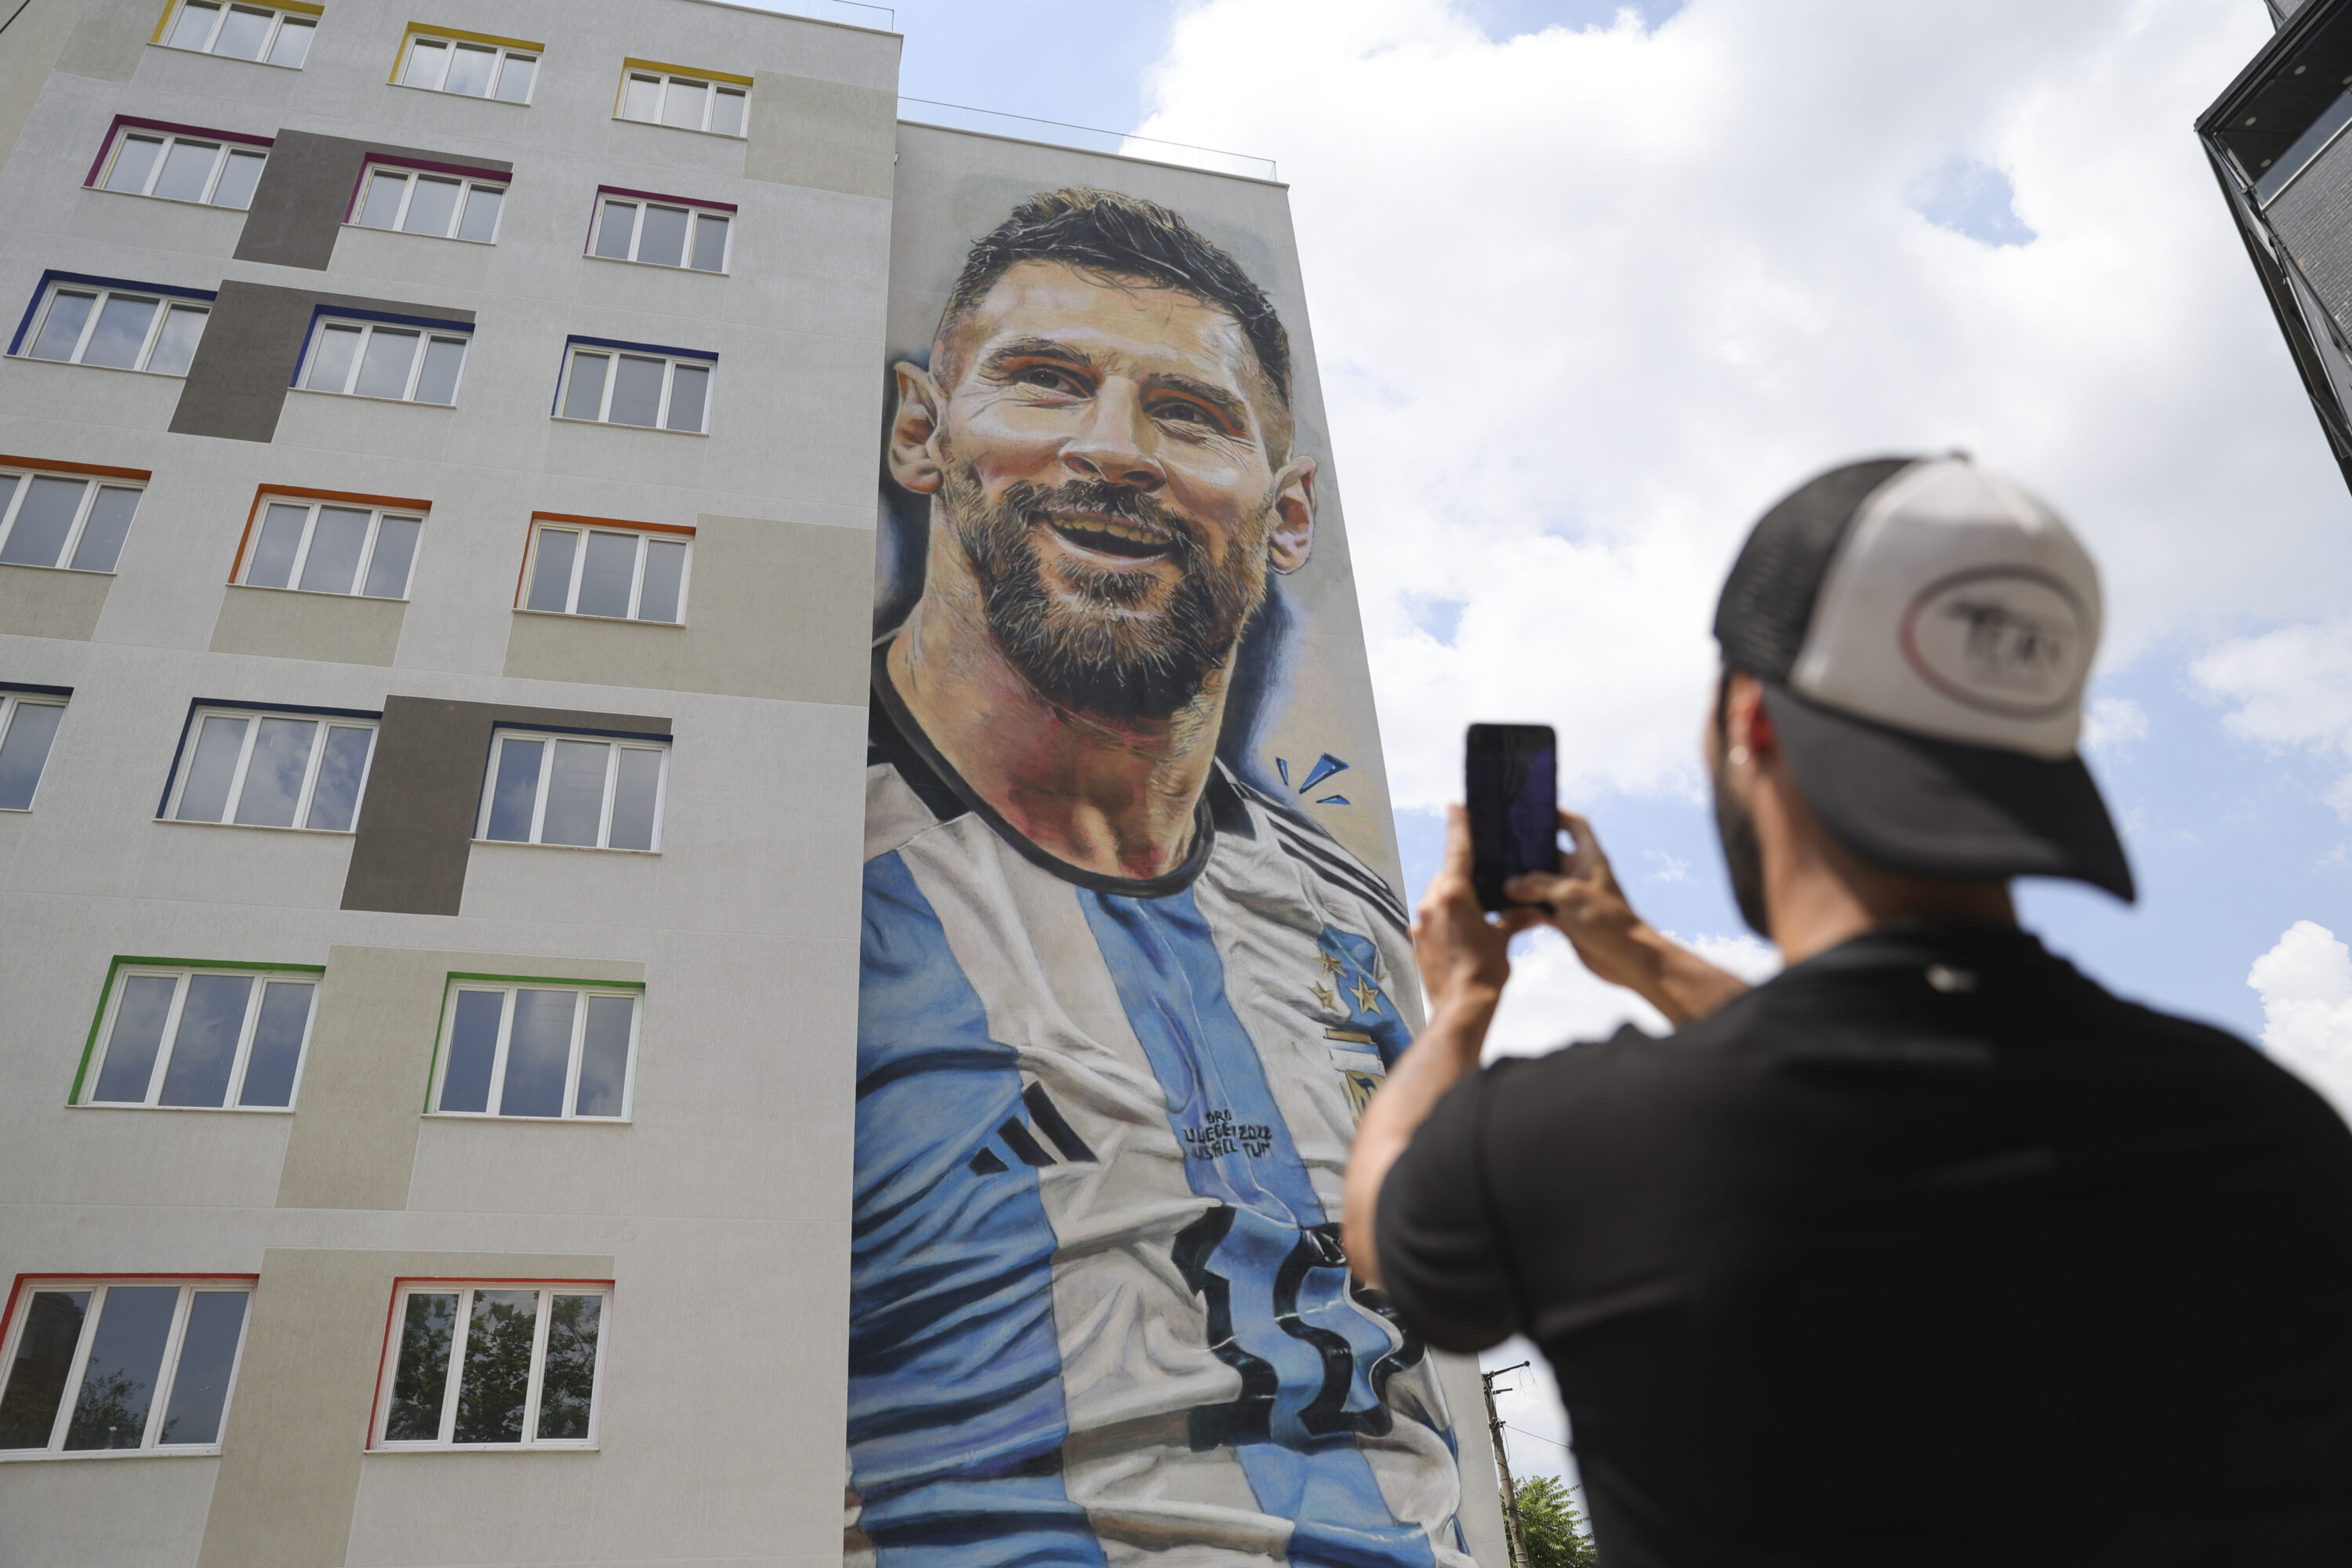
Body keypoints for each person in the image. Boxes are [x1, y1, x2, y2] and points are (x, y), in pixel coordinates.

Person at [1347, 455, 2352, 1568]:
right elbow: (1899, 1066)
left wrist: (1461, 1004)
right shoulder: (2271, 1134)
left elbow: (1384, 1222)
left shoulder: (1582, 1144)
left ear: (1750, 718)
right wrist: (1638, 953)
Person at [850, 189, 1476, 1567]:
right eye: (1044, 382)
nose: (1113, 451)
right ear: (920, 431)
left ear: (1290, 504)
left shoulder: (1349, 921)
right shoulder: (801, 851)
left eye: (1187, 413)